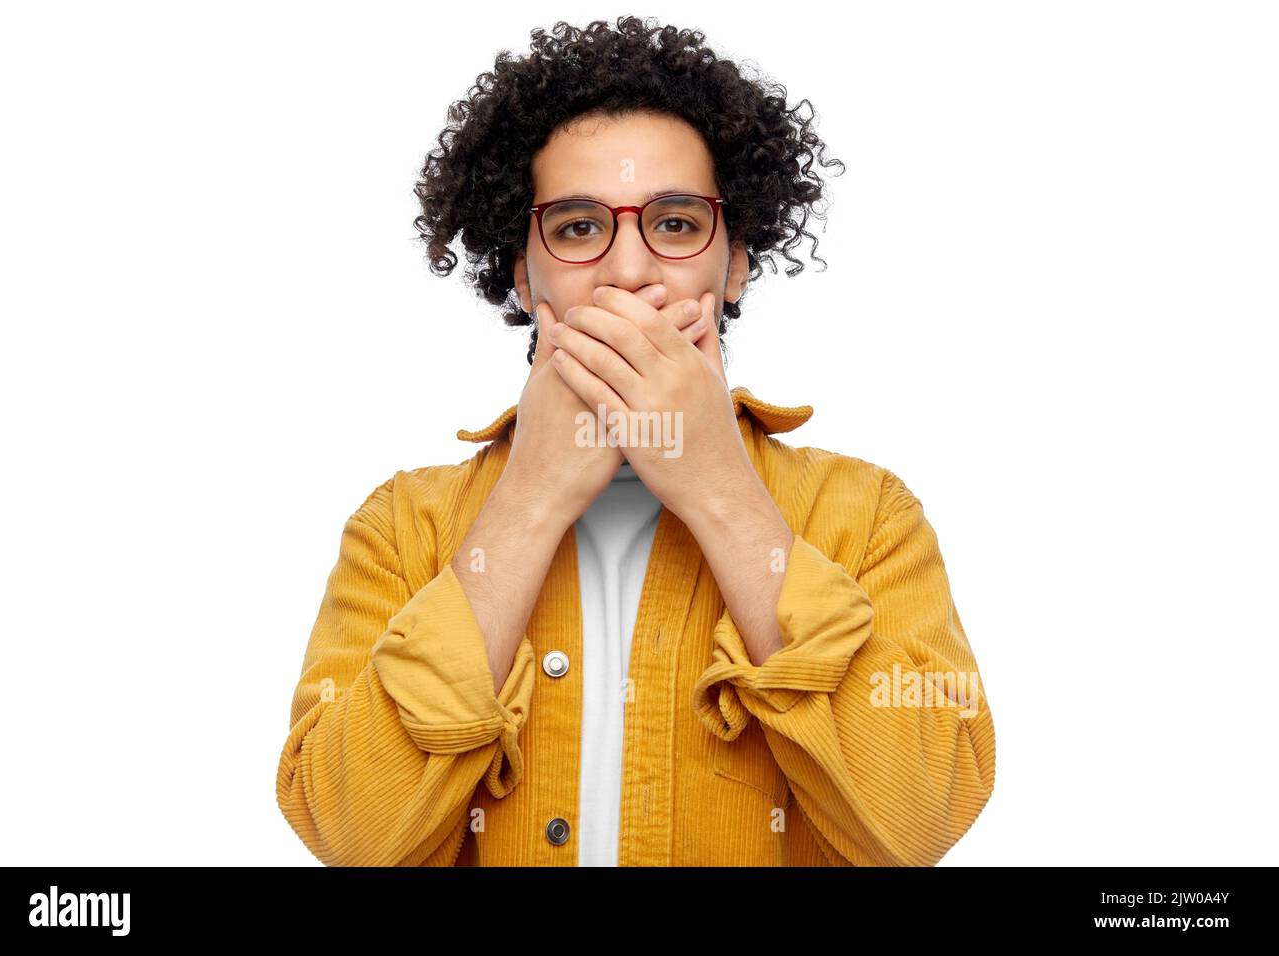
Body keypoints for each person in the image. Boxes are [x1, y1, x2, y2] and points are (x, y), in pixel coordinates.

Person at [276, 15, 996, 867]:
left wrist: (718, 490)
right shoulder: (405, 526)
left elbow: (920, 819)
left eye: (677, 223)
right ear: (521, 267)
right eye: (579, 227)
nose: (628, 271)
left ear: (734, 262)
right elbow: (349, 835)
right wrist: (532, 498)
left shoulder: (867, 515)